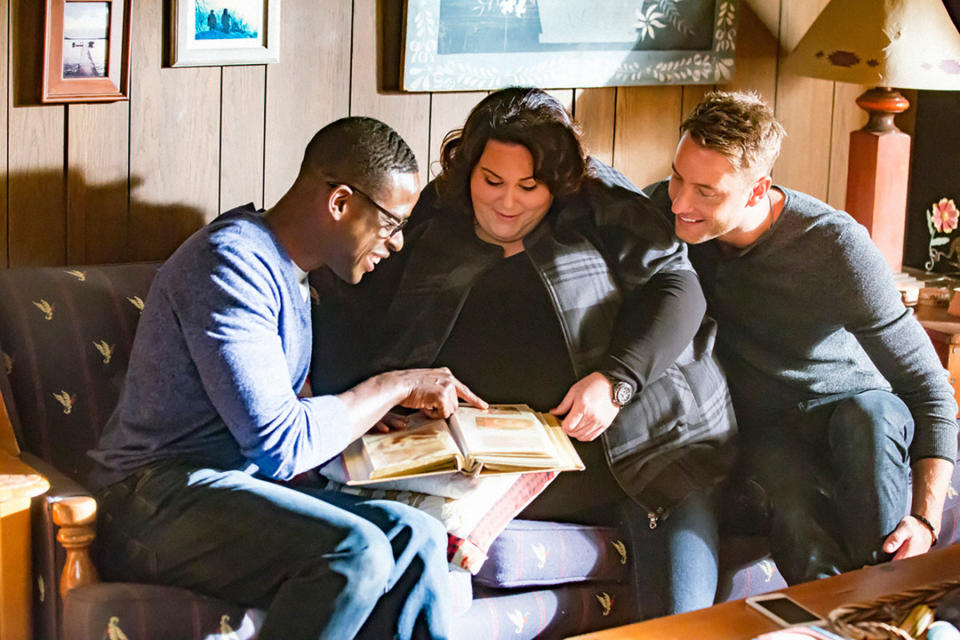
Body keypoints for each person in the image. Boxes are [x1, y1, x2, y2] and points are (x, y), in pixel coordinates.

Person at [312, 88, 737, 618]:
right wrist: (366, 401)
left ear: (556, 185)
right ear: (467, 169)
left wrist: (615, 382)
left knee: (678, 622)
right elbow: (356, 305)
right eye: (491, 181)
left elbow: (679, 289)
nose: (507, 203)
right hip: (484, 459)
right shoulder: (435, 211)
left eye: (529, 187)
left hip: (639, 447)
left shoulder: (601, 202)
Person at [87, 117, 487, 640]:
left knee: (418, 537)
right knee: (355, 553)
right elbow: (281, 445)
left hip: (227, 490)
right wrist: (394, 384)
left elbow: (281, 411)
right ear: (340, 202)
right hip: (151, 500)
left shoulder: (289, 271)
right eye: (391, 223)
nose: (396, 243)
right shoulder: (229, 264)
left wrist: (370, 417)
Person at [643, 90, 959, 585]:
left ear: (756, 189)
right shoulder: (662, 217)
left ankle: (885, 602)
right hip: (767, 435)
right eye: (677, 177)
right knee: (791, 501)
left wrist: (924, 519)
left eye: (706, 191)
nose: (681, 201)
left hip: (856, 411)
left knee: (867, 419)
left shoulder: (835, 247)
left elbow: (929, 388)